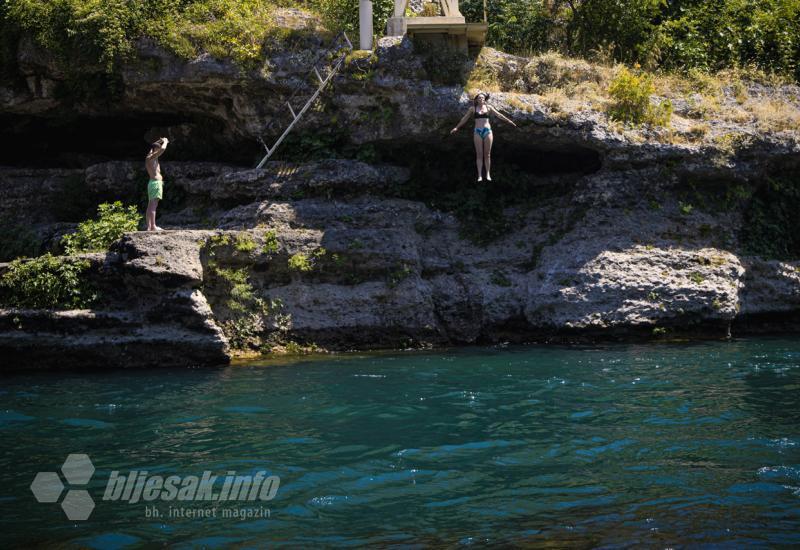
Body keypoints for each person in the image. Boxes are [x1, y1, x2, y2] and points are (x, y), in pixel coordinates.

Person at [450, 93, 517, 182]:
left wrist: (509, 121)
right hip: (477, 131)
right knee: (479, 154)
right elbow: (464, 119)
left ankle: (488, 173)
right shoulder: (472, 109)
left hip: (487, 131)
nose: (481, 99)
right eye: (479, 98)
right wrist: (456, 127)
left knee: (487, 154)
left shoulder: (489, 107)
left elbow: (499, 115)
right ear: (476, 99)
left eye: (483, 98)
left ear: (485, 99)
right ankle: (480, 175)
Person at [145, 137, 169, 231]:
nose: (160, 152)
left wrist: (159, 141)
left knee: (150, 205)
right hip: (155, 183)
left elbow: (153, 147)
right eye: (158, 150)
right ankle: (153, 226)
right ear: (155, 150)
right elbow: (162, 149)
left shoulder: (149, 157)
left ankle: (149, 226)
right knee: (153, 205)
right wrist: (166, 142)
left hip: (152, 183)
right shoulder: (152, 157)